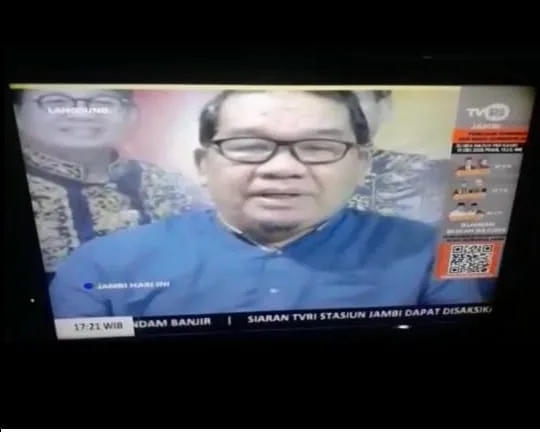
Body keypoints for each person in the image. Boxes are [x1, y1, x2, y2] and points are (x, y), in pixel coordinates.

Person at [49, 90, 493, 318]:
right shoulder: (102, 265)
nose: (283, 169)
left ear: (361, 165)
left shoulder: (425, 253)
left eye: (318, 147)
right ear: (203, 164)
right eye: (248, 146)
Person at [14, 88, 209, 281]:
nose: (82, 114)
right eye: (56, 101)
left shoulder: (176, 188)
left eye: (103, 102)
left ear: (131, 116)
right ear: (18, 114)